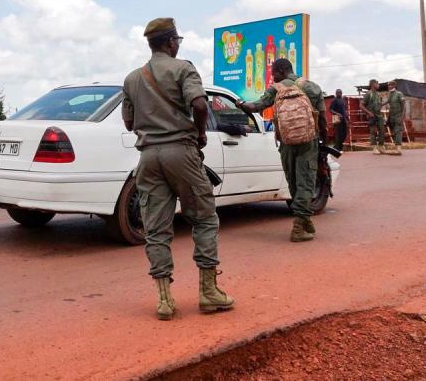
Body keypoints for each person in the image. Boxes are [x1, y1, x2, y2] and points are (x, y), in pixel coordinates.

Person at [121, 17, 234, 321]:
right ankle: (209, 292)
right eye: (177, 41)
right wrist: (198, 133)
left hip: (148, 157)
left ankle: (164, 300)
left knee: (156, 227)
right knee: (205, 218)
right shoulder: (183, 68)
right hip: (181, 152)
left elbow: (129, 123)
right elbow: (199, 105)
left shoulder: (132, 78)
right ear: (171, 42)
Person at [240, 58, 326, 242]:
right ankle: (300, 226)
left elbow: (255, 106)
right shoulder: (312, 87)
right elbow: (322, 119)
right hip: (308, 141)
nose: (273, 77)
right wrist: (323, 143)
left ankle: (302, 221)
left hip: (286, 142)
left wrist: (240, 104)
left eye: (273, 73)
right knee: (306, 182)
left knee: (293, 182)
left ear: (280, 71)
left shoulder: (276, 89)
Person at [360, 79, 387, 155]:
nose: (378, 85)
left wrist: (387, 102)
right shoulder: (368, 94)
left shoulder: (378, 94)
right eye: (377, 83)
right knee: (373, 132)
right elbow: (361, 105)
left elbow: (379, 104)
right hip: (372, 116)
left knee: (382, 131)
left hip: (379, 115)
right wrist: (368, 113)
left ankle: (381, 146)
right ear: (373, 84)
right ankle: (374, 148)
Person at [386, 81, 405, 155]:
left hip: (398, 116)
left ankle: (398, 149)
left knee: (398, 132)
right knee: (393, 132)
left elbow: (404, 106)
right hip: (391, 116)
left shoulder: (399, 94)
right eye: (388, 85)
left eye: (390, 85)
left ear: (394, 85)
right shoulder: (390, 94)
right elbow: (388, 102)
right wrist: (380, 105)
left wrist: (402, 117)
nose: (389, 86)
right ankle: (396, 148)